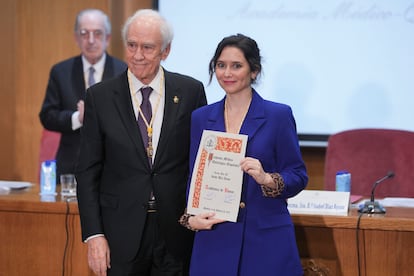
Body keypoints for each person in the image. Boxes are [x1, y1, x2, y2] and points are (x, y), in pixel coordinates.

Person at [75, 9, 207, 276]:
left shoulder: (191, 92)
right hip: (119, 234)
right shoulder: (99, 97)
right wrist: (94, 235)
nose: (137, 55)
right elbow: (87, 171)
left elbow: (200, 160)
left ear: (165, 51)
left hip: (176, 231)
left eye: (147, 48)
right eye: (132, 45)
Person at [180, 34, 308, 275]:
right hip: (215, 240)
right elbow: (193, 176)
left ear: (254, 71)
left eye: (236, 66)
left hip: (265, 242)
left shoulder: (278, 115)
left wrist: (267, 178)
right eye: (221, 65)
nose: (227, 73)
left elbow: (298, 175)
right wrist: (191, 218)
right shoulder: (200, 118)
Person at [39, 9, 127, 180]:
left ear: (108, 38)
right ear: (76, 38)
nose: (91, 40)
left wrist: (100, 116)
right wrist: (77, 118)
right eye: (84, 34)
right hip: (71, 168)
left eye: (97, 34)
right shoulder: (61, 72)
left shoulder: (123, 71)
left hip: (114, 168)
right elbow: (47, 116)